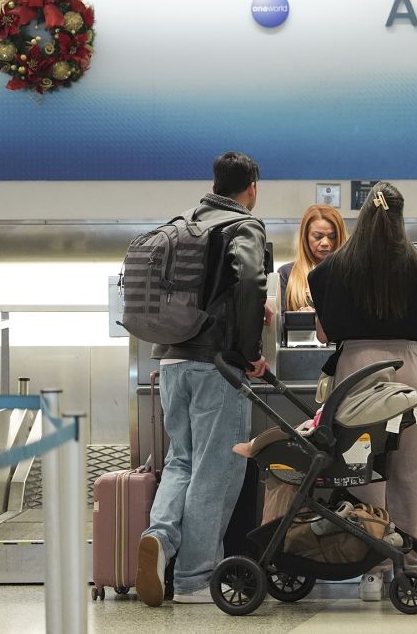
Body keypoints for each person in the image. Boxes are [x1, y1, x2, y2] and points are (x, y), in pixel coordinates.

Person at [136, 151, 270, 606]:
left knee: (181, 462)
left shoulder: (187, 222)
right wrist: (249, 352)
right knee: (217, 469)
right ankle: (194, 578)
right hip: (216, 364)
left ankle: (159, 538)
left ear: (214, 182)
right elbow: (251, 280)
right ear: (251, 187)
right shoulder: (243, 224)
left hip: (171, 360)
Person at [307, 182, 417, 601]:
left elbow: (324, 331)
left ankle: (373, 568)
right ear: (401, 219)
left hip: (355, 368)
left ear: (362, 216)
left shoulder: (327, 270)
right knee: (409, 463)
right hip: (409, 369)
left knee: (361, 462)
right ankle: (413, 562)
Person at [277, 204, 347, 313]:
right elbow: (277, 322)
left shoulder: (349, 275)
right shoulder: (286, 274)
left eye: (332, 237)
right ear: (305, 237)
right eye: (318, 237)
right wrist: (299, 318)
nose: (325, 243)